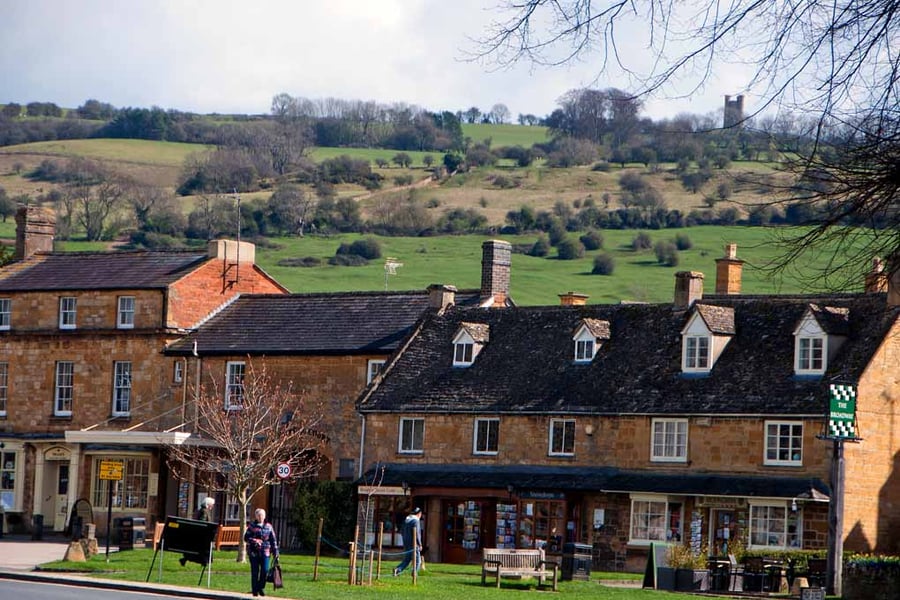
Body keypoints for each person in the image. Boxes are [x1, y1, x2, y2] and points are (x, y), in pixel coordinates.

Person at [245, 508, 278, 597]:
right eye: (259, 515)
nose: (260, 517)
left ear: (265, 516)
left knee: (265, 570)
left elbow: (273, 540)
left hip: (265, 551)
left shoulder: (268, 526)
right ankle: (255, 590)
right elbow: (246, 537)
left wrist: (276, 552)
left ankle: (260, 587)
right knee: (255, 572)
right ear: (256, 516)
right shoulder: (252, 526)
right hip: (254, 552)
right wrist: (254, 540)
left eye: (262, 515)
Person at [393, 507, 422, 576]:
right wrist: (419, 544)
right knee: (418, 560)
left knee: (407, 559)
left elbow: (401, 531)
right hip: (414, 543)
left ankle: (397, 570)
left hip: (406, 543)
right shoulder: (416, 521)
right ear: (419, 514)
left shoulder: (406, 521)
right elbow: (417, 533)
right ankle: (414, 573)